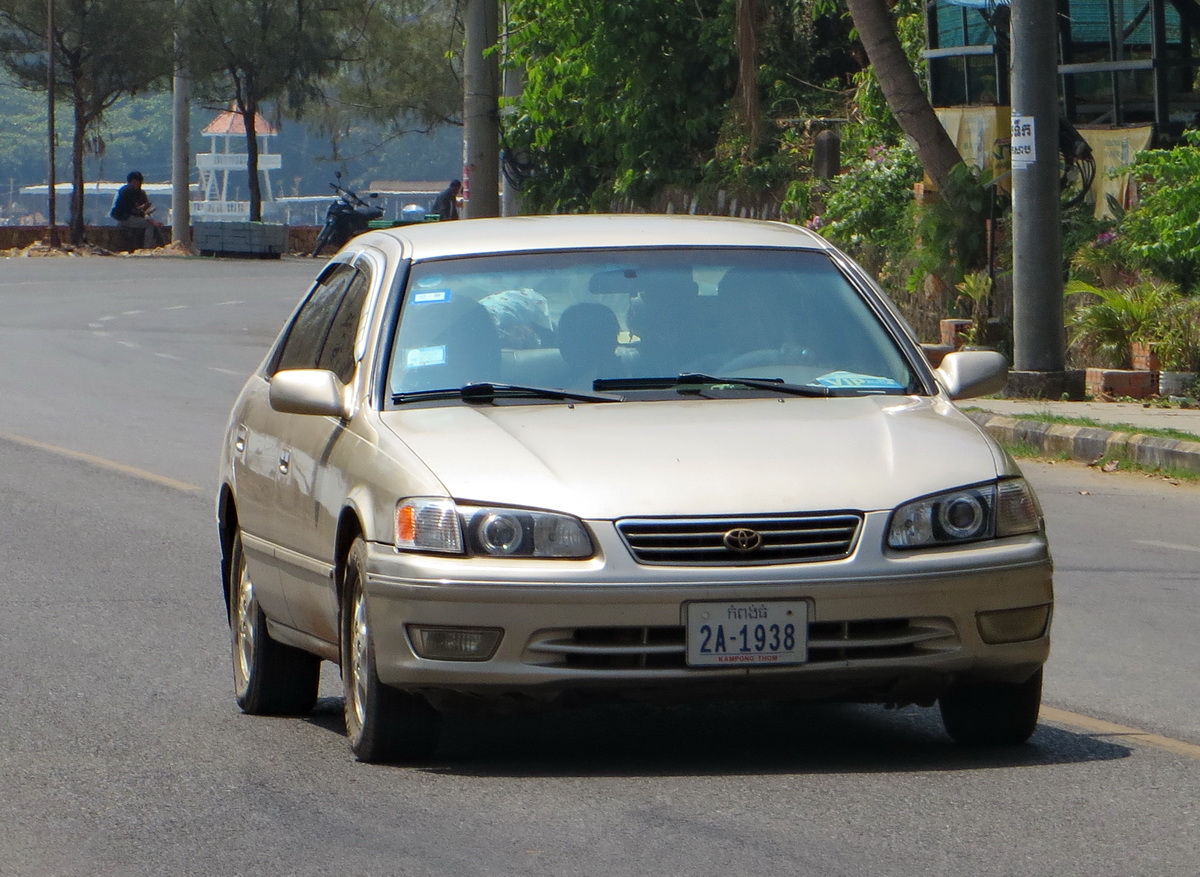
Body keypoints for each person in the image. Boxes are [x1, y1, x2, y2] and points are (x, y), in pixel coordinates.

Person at [110, 171, 164, 248]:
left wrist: (145, 208)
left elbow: (141, 209)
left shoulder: (139, 193)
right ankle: (146, 248)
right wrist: (147, 216)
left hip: (134, 217)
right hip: (124, 218)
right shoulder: (126, 192)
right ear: (131, 182)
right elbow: (131, 210)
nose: (137, 185)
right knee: (150, 225)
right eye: (135, 182)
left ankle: (162, 246)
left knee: (154, 225)